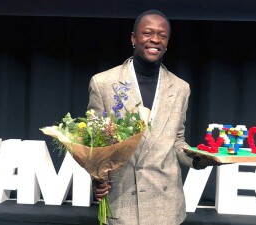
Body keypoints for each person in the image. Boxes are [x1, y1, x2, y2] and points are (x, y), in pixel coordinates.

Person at [87, 9, 212, 225]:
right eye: (147, 33)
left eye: (162, 35)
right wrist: (97, 180)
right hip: (122, 200)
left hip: (165, 204)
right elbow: (94, 142)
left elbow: (176, 141)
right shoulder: (103, 83)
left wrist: (199, 159)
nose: (155, 39)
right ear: (134, 38)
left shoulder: (181, 88)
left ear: (167, 42)